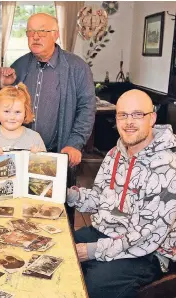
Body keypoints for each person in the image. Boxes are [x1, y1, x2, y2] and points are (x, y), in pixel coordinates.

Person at [67, 89, 176, 298]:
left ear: (152, 118)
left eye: (137, 115)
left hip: (147, 252)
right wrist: (66, 194)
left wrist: (91, 251)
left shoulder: (168, 169)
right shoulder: (114, 153)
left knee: (93, 285)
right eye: (123, 115)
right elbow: (100, 198)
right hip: (105, 231)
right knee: (56, 249)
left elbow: (145, 237)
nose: (129, 122)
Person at [0, 13, 95, 167]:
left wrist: (75, 143)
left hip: (58, 153)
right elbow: (6, 105)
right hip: (22, 153)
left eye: (42, 32)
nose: (35, 37)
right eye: (31, 32)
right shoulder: (19, 64)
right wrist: (5, 85)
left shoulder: (78, 67)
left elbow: (87, 108)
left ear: (56, 35)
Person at [0, 82, 46, 154]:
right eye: (6, 111)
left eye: (17, 112)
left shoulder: (35, 138)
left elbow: (46, 164)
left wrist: (38, 156)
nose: (12, 117)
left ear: (26, 112)